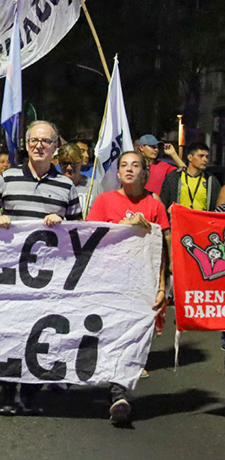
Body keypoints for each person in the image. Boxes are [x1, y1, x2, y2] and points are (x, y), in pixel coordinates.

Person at [0, 120, 82, 416]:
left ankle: (31, 393)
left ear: (55, 147)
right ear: (26, 145)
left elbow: (80, 227)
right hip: (11, 271)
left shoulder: (66, 185)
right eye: (34, 140)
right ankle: (7, 391)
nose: (39, 146)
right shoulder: (8, 177)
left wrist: (62, 223)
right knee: (10, 330)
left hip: (48, 275)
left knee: (40, 332)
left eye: (46, 141)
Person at [87, 151, 170, 424]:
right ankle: (117, 393)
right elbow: (91, 239)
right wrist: (125, 225)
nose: (129, 169)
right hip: (109, 282)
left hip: (141, 284)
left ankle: (118, 392)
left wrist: (162, 286)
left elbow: (162, 250)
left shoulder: (154, 206)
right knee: (112, 335)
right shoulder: (104, 201)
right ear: (118, 172)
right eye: (124, 165)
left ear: (145, 172)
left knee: (132, 338)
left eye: (135, 165)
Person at [159, 142, 220, 213]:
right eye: (201, 156)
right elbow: (163, 203)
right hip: (179, 219)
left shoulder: (211, 181)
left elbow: (217, 207)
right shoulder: (174, 177)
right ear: (190, 157)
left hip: (200, 219)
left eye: (207, 157)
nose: (205, 160)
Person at [57, 143, 93, 215]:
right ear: (59, 162)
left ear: (81, 161)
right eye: (65, 163)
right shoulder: (52, 186)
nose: (69, 168)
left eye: (74, 163)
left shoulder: (93, 186)